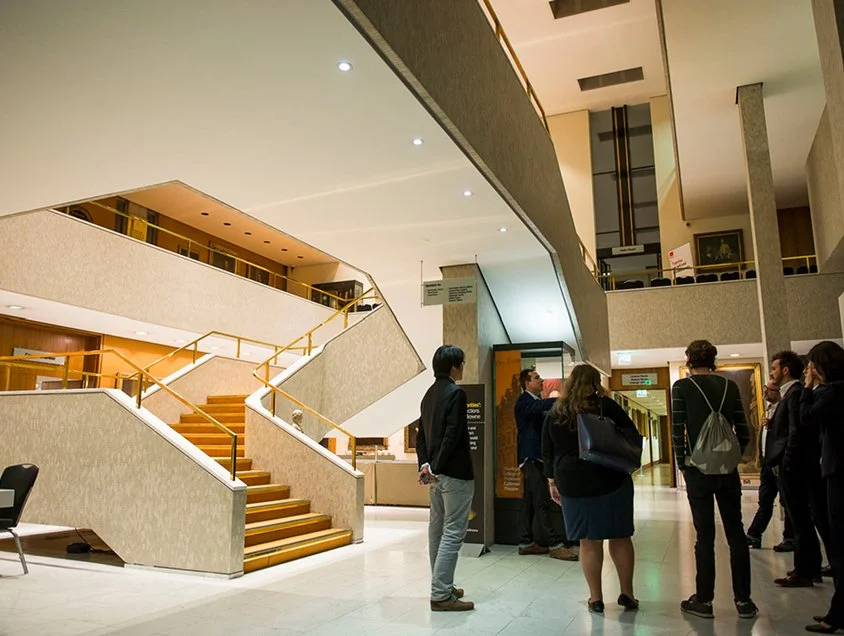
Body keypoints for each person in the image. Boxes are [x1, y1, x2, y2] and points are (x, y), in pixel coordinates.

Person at [541, 364, 638, 615]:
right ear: (596, 382)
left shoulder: (556, 412)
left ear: (571, 382)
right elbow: (631, 436)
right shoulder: (607, 407)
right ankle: (627, 593)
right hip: (611, 478)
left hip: (574, 482)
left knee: (588, 542)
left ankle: (595, 598)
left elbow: (547, 451)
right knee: (620, 537)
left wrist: (552, 481)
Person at [671, 340, 757, 619]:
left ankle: (704, 600)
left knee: (704, 535)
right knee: (736, 533)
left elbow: (677, 430)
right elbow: (744, 429)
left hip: (698, 471)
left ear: (688, 359)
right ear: (713, 360)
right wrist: (733, 457)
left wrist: (684, 464)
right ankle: (744, 600)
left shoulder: (682, 387)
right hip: (727, 471)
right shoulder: (729, 387)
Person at [416, 344, 475, 612]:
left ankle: (442, 585)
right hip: (455, 474)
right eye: (461, 362)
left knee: (437, 530)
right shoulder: (456, 393)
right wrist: (437, 466)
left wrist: (426, 466)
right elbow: (453, 435)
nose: (463, 367)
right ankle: (441, 593)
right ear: (454, 366)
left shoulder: (428, 395)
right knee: (453, 531)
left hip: (436, 477)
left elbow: (421, 436)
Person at [771, 350, 833, 588]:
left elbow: (795, 433)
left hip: (795, 467)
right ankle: (808, 567)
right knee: (800, 519)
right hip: (794, 465)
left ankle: (805, 570)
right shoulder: (791, 394)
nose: (773, 373)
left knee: (801, 519)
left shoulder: (795, 393)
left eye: (775, 368)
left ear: (786, 370)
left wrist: (787, 463)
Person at [801, 341, 844, 633]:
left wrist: (807, 388)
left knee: (840, 542)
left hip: (838, 472)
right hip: (835, 469)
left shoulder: (833, 393)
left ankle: (838, 615)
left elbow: (806, 418)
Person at [515, 367, 577, 561]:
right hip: (530, 458)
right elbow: (539, 407)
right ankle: (554, 543)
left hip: (538, 458)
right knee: (541, 499)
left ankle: (525, 541)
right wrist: (562, 399)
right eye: (537, 378)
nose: (541, 381)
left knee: (529, 501)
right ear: (527, 383)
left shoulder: (537, 403)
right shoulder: (524, 402)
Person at [746, 382, 793, 550]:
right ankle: (754, 534)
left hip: (779, 464)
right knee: (765, 501)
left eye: (769, 389)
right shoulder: (768, 410)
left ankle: (790, 537)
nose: (766, 391)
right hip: (767, 464)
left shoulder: (784, 409)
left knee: (787, 502)